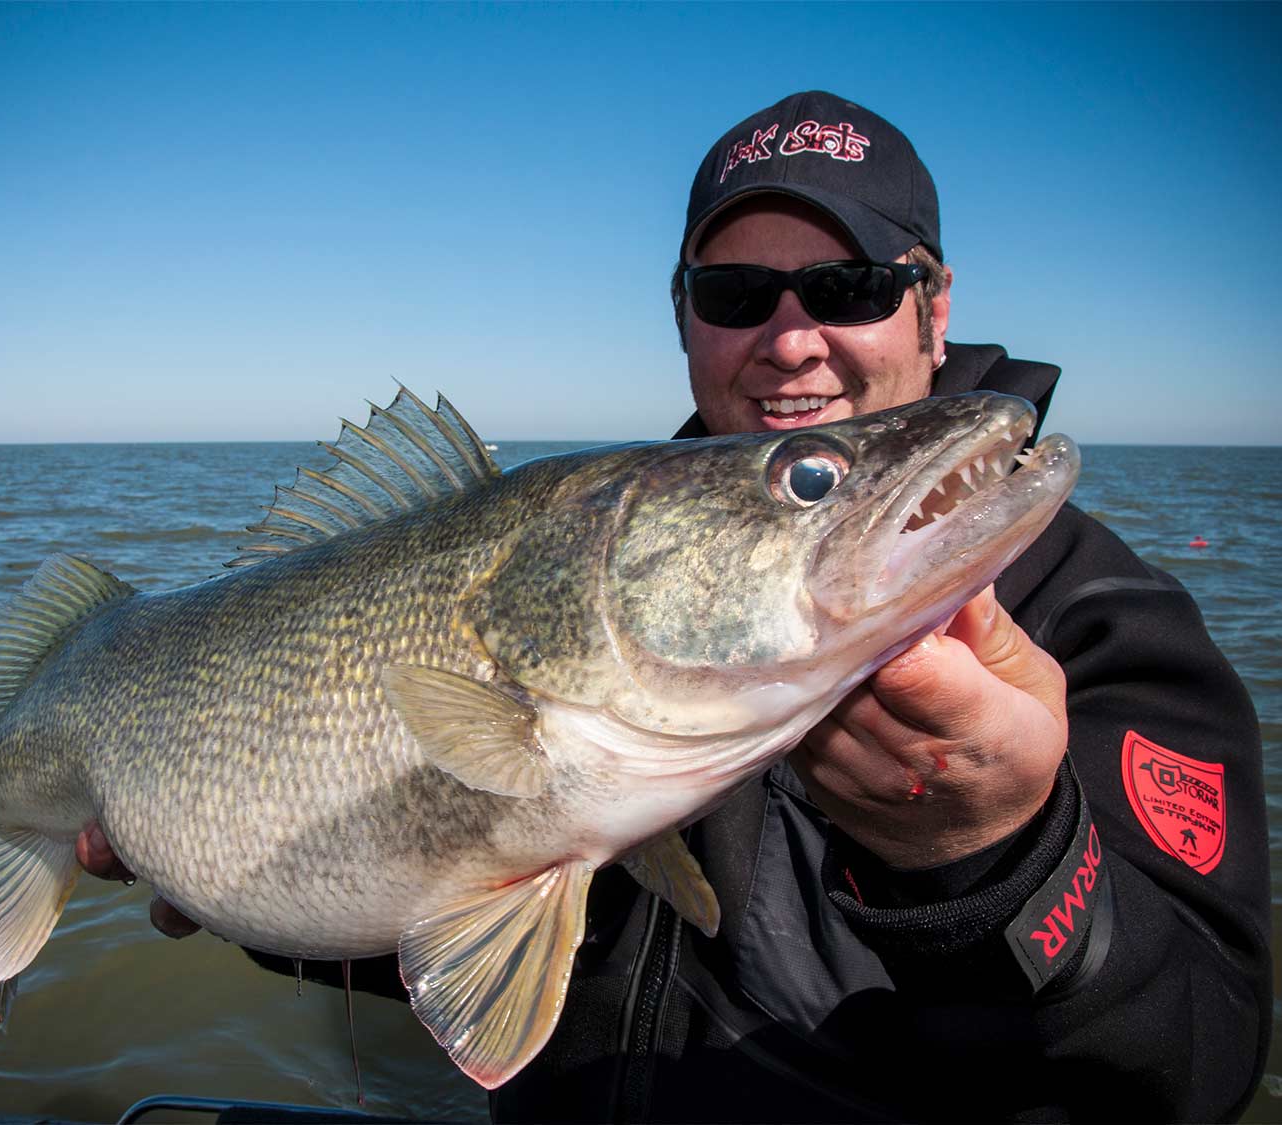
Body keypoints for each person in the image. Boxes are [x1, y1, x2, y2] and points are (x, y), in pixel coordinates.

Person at [81, 91, 1270, 1121]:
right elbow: (429, 925)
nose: (792, 340)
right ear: (684, 312)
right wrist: (229, 871)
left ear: (934, 306)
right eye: (738, 290)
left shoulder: (1109, 622)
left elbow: (1193, 1072)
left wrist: (995, 864)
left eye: (850, 286)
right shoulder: (588, 553)